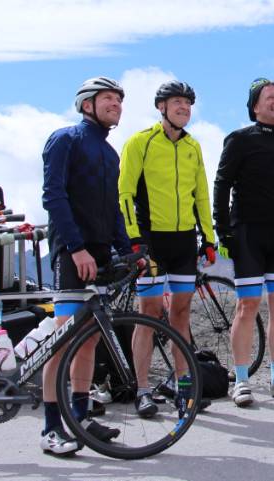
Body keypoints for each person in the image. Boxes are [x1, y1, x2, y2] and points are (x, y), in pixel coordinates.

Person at [40, 76, 130, 455]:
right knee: (63, 341)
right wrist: (76, 248)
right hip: (71, 253)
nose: (116, 105)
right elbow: (53, 196)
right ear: (86, 104)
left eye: (119, 100)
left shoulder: (110, 154)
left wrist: (127, 251)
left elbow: (112, 208)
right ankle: (50, 428)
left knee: (91, 337)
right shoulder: (65, 139)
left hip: (100, 253)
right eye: (108, 98)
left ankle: (80, 418)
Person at [117, 80, 216, 418]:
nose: (183, 108)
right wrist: (134, 238)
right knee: (149, 314)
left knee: (182, 313)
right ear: (161, 107)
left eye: (187, 103)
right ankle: (143, 389)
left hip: (184, 240)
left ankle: (183, 386)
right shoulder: (140, 142)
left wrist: (209, 236)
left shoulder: (193, 146)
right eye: (176, 102)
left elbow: (201, 194)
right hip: (152, 241)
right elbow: (125, 193)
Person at [213, 77, 274, 406]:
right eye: (270, 97)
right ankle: (241, 381)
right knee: (248, 305)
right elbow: (222, 182)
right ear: (255, 106)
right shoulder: (240, 140)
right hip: (247, 233)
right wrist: (223, 228)